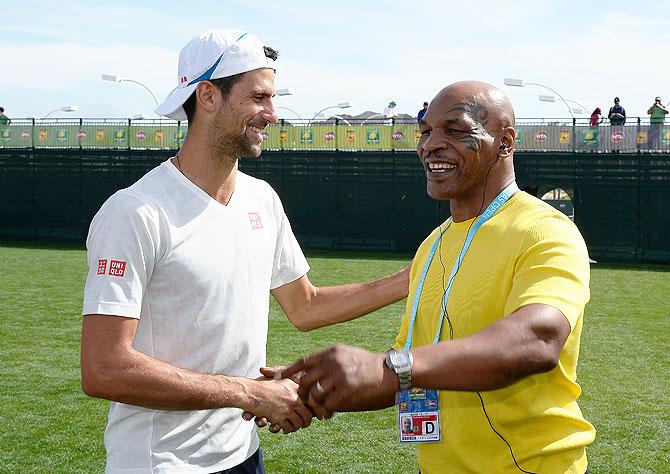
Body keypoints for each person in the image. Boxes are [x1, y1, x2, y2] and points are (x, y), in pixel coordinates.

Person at [80, 29, 409, 474]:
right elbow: (104, 368)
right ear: (208, 95)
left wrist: (416, 275)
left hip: (244, 455)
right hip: (162, 464)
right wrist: (251, 394)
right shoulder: (135, 212)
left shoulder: (262, 199)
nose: (272, 114)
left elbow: (305, 307)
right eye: (259, 98)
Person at [281, 81, 595, 473]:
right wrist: (312, 389)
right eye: (426, 131)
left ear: (505, 141)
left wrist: (387, 367)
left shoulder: (544, 229)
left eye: (455, 129)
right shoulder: (433, 244)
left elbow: (538, 338)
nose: (430, 144)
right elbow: (412, 361)